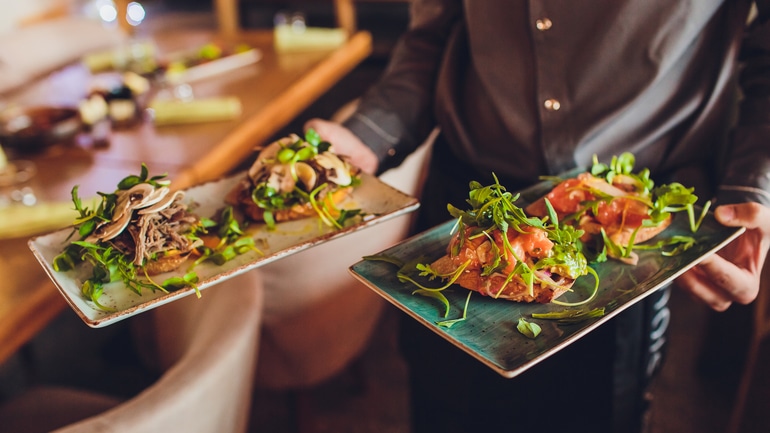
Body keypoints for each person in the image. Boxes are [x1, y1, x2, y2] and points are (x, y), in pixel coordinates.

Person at [305, 1, 770, 432]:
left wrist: (751, 190)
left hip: (624, 236)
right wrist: (368, 134)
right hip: (467, 203)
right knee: (443, 407)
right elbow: (433, 36)